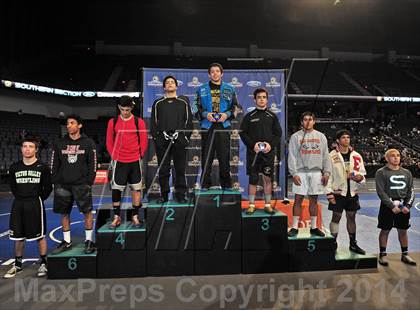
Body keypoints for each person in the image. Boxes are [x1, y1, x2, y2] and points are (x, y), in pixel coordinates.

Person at [3, 135, 52, 279]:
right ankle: (17, 264)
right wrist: (22, 197)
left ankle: (43, 262)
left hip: (35, 203)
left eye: (30, 146)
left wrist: (36, 199)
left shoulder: (42, 167)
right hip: (18, 204)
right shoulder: (14, 167)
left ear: (36, 149)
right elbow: (13, 187)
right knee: (18, 236)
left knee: (40, 235)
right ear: (21, 149)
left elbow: (48, 188)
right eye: (25, 146)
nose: (27, 149)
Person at [51, 114, 97, 254]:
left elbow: (93, 164)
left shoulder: (88, 143)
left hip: (82, 184)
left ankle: (89, 240)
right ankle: (67, 241)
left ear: (79, 125)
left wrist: (89, 181)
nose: (69, 125)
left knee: (87, 212)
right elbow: (54, 164)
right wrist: (56, 181)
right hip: (63, 185)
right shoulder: (59, 142)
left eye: (72, 123)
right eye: (67, 123)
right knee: (64, 213)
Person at [192, 63, 239, 189]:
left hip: (223, 126)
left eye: (217, 71)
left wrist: (227, 114)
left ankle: (226, 186)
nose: (215, 73)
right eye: (212, 71)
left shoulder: (230, 88)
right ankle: (205, 185)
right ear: (209, 74)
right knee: (207, 157)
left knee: (224, 157)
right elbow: (195, 106)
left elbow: (235, 107)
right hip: (207, 126)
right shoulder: (201, 89)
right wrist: (205, 114)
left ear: (222, 73)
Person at [287, 112, 332, 237]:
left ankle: (313, 227)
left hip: (316, 172)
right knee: (298, 200)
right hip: (301, 172)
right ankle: (294, 227)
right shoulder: (296, 137)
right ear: (302, 122)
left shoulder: (321, 136)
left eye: (310, 119)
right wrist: (294, 173)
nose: (307, 122)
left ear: (314, 121)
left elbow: (325, 156)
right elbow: (292, 156)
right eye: (305, 119)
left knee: (314, 200)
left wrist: (327, 173)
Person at [106, 96, 148, 228]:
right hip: (119, 161)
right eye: (122, 109)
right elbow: (109, 141)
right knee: (116, 190)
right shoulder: (112, 122)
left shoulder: (138, 122)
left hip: (134, 161)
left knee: (136, 189)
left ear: (132, 108)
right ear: (119, 108)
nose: (125, 112)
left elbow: (144, 140)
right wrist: (114, 155)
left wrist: (139, 155)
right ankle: (117, 217)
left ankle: (135, 216)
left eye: (127, 110)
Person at [150, 75, 193, 203]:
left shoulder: (183, 103)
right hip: (163, 141)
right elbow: (154, 123)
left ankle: (181, 195)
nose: (169, 84)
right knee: (163, 169)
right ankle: (163, 195)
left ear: (176, 86)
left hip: (179, 140)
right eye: (167, 83)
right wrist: (158, 138)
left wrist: (183, 136)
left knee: (180, 168)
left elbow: (189, 122)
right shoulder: (158, 103)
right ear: (164, 87)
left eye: (172, 82)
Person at [240, 88, 282, 214]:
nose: (262, 99)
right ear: (254, 99)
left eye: (264, 97)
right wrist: (253, 145)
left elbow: (278, 134)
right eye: (259, 97)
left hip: (268, 154)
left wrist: (270, 145)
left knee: (267, 179)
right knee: (253, 179)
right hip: (254, 153)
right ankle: (251, 205)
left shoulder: (272, 116)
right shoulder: (249, 116)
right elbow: (243, 134)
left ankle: (267, 205)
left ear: (267, 99)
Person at [326, 129, 366, 254]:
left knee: (351, 217)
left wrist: (360, 178)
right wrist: (329, 193)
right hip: (338, 192)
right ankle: (333, 243)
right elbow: (327, 175)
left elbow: (362, 174)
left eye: (348, 137)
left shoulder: (356, 155)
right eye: (343, 137)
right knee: (336, 217)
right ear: (337, 140)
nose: (346, 139)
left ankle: (353, 244)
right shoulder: (331, 156)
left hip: (352, 192)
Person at [375, 149, 416, 266]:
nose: (396, 158)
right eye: (392, 156)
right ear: (387, 158)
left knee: (403, 230)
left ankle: (405, 254)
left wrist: (407, 206)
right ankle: (382, 255)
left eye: (398, 155)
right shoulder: (381, 172)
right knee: (385, 230)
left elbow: (411, 191)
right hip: (388, 206)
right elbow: (381, 191)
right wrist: (391, 205)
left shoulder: (407, 172)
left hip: (403, 206)